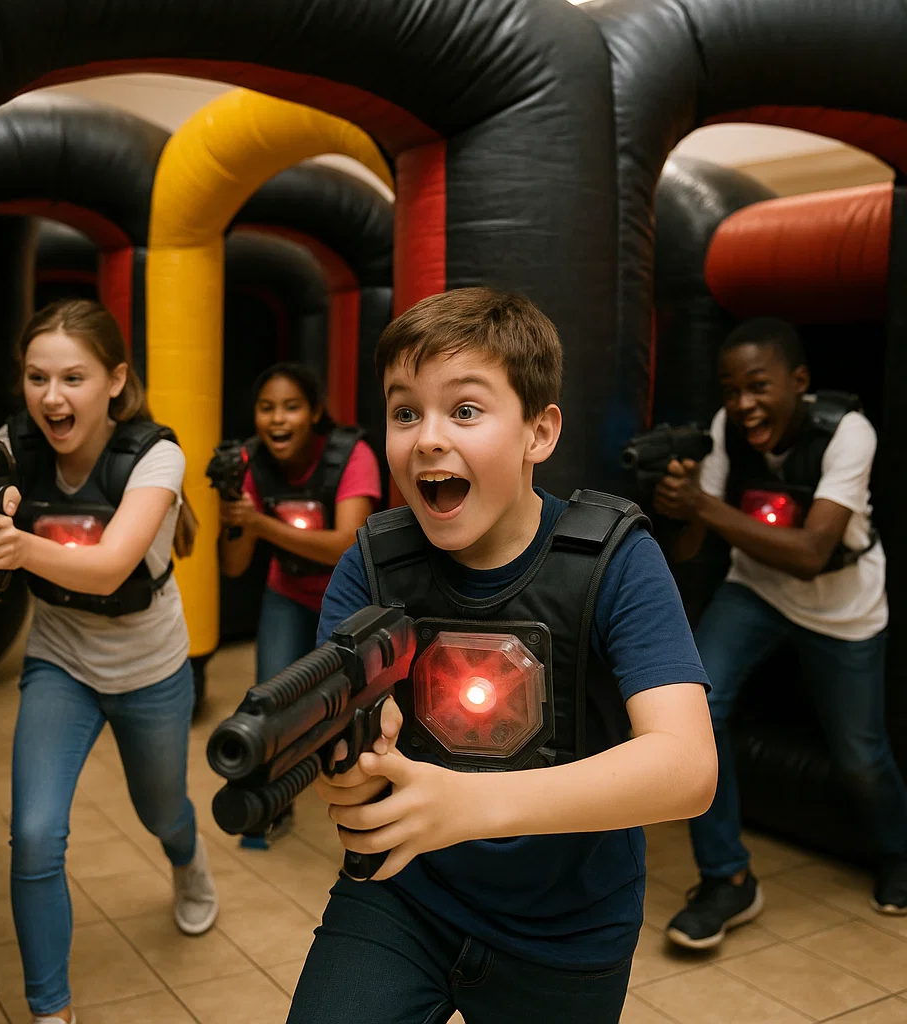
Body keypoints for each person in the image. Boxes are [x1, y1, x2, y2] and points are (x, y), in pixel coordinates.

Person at [285, 288, 718, 1024]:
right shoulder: (373, 565)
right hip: (403, 894)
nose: (427, 438)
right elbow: (349, 728)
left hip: (567, 931)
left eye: (464, 410)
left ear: (538, 431)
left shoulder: (615, 560)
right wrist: (351, 768)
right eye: (404, 412)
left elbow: (687, 767)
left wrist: (466, 805)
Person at [0, 299, 218, 1024]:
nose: (51, 397)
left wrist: (16, 547)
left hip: (150, 668)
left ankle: (187, 859)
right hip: (60, 662)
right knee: (36, 835)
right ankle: (52, 1012)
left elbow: (109, 568)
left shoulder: (156, 456)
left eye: (72, 377)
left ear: (114, 380)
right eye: (37, 377)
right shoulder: (9, 444)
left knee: (161, 810)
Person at [654, 316, 907, 951]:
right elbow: (690, 547)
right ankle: (727, 877)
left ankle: (899, 853)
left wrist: (706, 507)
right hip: (757, 589)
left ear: (799, 382)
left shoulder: (848, 432)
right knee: (696, 709)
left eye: (759, 386)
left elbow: (813, 551)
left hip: (842, 605)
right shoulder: (724, 430)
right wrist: (677, 500)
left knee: (861, 755)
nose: (742, 404)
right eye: (730, 389)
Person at [219, 362, 381, 846]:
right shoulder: (247, 463)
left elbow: (344, 547)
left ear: (313, 412)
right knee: (269, 701)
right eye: (266, 408)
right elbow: (233, 565)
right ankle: (270, 804)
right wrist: (233, 515)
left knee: (357, 706)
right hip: (286, 593)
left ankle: (368, 805)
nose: (277, 420)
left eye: (291, 407)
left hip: (352, 601)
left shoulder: (352, 455)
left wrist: (262, 524)